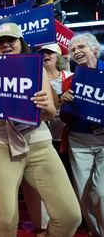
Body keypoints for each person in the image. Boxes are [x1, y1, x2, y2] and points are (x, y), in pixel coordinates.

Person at [0, 22, 81, 236]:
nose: (6, 45)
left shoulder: (36, 69)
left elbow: (50, 113)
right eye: (0, 42)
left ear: (21, 43)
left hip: (38, 143)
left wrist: (47, 107)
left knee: (70, 216)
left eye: (11, 40)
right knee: (6, 222)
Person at [61, 33, 104, 237]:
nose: (77, 52)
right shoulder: (70, 81)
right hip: (79, 140)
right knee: (84, 195)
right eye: (73, 50)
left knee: (101, 193)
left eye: (81, 47)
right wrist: (64, 101)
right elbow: (64, 118)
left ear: (95, 49)